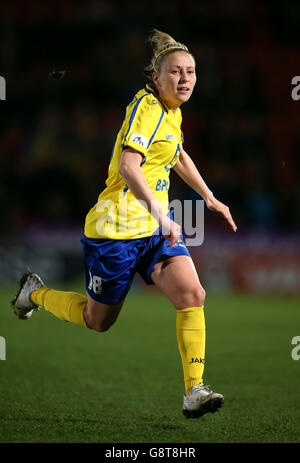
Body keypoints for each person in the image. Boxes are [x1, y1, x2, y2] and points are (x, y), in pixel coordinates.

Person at [12, 30, 237, 419]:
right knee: (96, 322)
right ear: (156, 77)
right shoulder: (148, 108)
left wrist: (209, 198)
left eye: (191, 72)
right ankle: (35, 293)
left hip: (151, 232)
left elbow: (177, 153)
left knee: (192, 294)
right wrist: (164, 216)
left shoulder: (172, 111)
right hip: (114, 230)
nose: (185, 79)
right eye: (176, 72)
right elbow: (128, 166)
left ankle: (193, 391)